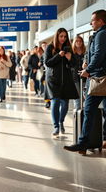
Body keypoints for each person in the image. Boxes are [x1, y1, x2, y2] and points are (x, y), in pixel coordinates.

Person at [64, 9, 106, 152]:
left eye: (93, 20)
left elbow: (99, 54)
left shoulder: (101, 34)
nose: (90, 23)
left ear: (100, 21)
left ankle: (83, 142)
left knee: (89, 110)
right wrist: (86, 62)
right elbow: (95, 54)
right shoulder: (98, 35)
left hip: (98, 79)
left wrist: (88, 70)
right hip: (100, 76)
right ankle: (103, 139)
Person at [44, 28, 78, 136]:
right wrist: (59, 55)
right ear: (57, 36)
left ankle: (61, 121)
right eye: (61, 36)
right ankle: (56, 126)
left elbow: (74, 64)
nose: (63, 38)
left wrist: (69, 58)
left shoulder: (68, 48)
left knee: (65, 104)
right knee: (55, 102)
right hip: (53, 80)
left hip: (66, 80)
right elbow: (47, 63)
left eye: (65, 36)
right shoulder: (50, 47)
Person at [71, 36, 86, 110]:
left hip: (85, 77)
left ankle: (81, 114)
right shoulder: (71, 53)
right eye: (77, 41)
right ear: (74, 42)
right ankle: (77, 114)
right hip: (74, 77)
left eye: (80, 41)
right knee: (77, 97)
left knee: (84, 96)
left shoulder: (85, 52)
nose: (79, 42)